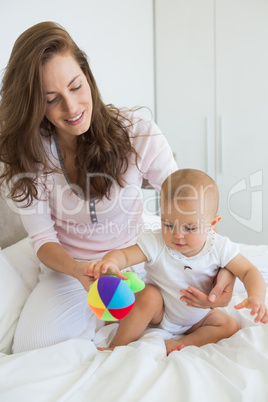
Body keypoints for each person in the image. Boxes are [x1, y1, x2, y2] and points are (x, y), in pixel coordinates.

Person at [0, 22, 234, 352]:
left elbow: (186, 204)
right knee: (32, 347)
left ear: (88, 76)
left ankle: (120, 326)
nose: (71, 108)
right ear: (35, 105)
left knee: (196, 314)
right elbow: (43, 239)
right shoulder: (30, 154)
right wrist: (79, 270)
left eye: (76, 87)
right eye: (52, 100)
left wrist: (224, 267)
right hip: (70, 270)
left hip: (135, 262)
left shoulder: (137, 132)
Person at [88, 169, 268, 355]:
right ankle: (118, 346)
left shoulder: (219, 246)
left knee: (228, 325)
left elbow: (248, 271)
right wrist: (110, 262)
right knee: (149, 295)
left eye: (190, 227)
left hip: (198, 316)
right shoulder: (156, 242)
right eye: (168, 224)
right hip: (161, 313)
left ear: (212, 224)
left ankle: (180, 343)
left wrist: (256, 297)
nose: (177, 235)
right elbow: (125, 256)